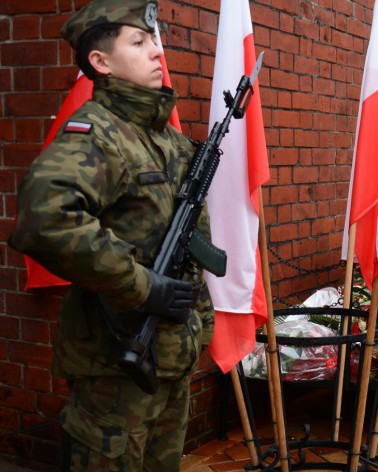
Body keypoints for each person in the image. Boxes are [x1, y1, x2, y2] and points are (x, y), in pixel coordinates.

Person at [8, 1, 213, 469]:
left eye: (155, 40)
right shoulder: (98, 133)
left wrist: (200, 324)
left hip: (170, 361)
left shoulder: (166, 139)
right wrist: (144, 287)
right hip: (113, 367)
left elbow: (190, 245)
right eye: (138, 42)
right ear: (100, 62)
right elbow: (45, 218)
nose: (157, 52)